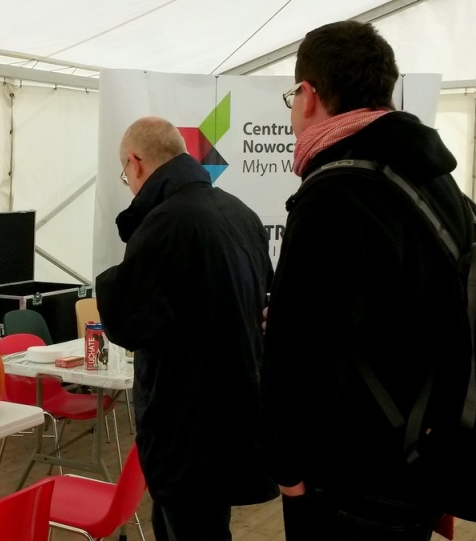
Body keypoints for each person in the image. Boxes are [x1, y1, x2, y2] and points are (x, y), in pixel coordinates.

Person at [262, 21, 472, 540]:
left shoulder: (334, 193)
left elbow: (305, 355)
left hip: (354, 475)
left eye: (292, 96)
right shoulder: (437, 180)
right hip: (425, 452)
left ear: (308, 95)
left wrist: (288, 471)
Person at [96, 117, 277, 540]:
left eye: (126, 176)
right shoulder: (241, 213)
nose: (129, 185)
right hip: (239, 410)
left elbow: (127, 322)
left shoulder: (165, 224)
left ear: (136, 163)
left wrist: (110, 284)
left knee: (192, 529)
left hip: (188, 424)